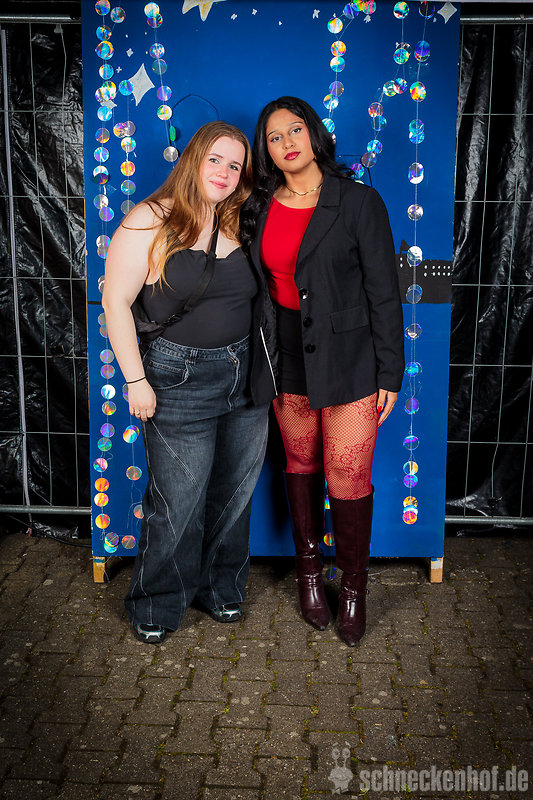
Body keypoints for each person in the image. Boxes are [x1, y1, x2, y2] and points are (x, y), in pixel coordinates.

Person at [102, 121, 277, 644]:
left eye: (235, 165)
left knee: (234, 493)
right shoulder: (149, 219)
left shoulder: (239, 219)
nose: (224, 172)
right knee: (177, 499)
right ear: (193, 159)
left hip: (244, 373)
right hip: (177, 377)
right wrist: (135, 379)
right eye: (215, 159)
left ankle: (220, 588)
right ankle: (156, 601)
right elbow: (115, 302)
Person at [242, 97, 404, 646]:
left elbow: (384, 294)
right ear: (265, 151)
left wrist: (390, 373)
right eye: (274, 137)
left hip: (350, 358)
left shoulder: (358, 201)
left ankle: (353, 588)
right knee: (302, 462)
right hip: (285, 355)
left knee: (348, 474)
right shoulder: (258, 206)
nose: (286, 143)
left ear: (314, 134)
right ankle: (309, 575)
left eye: (295, 130)